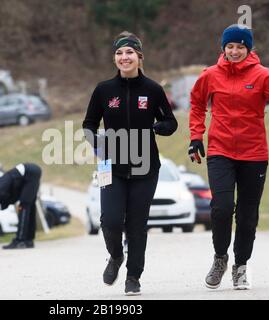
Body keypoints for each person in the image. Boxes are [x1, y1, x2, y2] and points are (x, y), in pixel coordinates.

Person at [188, 24, 269, 290]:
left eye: (240, 46)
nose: (234, 51)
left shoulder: (263, 76)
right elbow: (197, 105)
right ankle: (220, 258)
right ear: (223, 48)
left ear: (249, 49)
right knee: (222, 207)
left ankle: (241, 266)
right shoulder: (210, 75)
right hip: (220, 150)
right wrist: (195, 137)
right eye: (230, 46)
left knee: (247, 215)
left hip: (254, 152)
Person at [82, 31, 178, 295]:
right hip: (110, 166)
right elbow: (89, 124)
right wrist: (97, 145)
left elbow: (171, 122)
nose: (124, 57)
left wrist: (158, 128)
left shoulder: (153, 90)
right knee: (110, 221)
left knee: (136, 225)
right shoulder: (103, 90)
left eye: (129, 53)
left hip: (146, 167)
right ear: (115, 58)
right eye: (119, 53)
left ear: (139, 57)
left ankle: (133, 276)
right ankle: (115, 256)